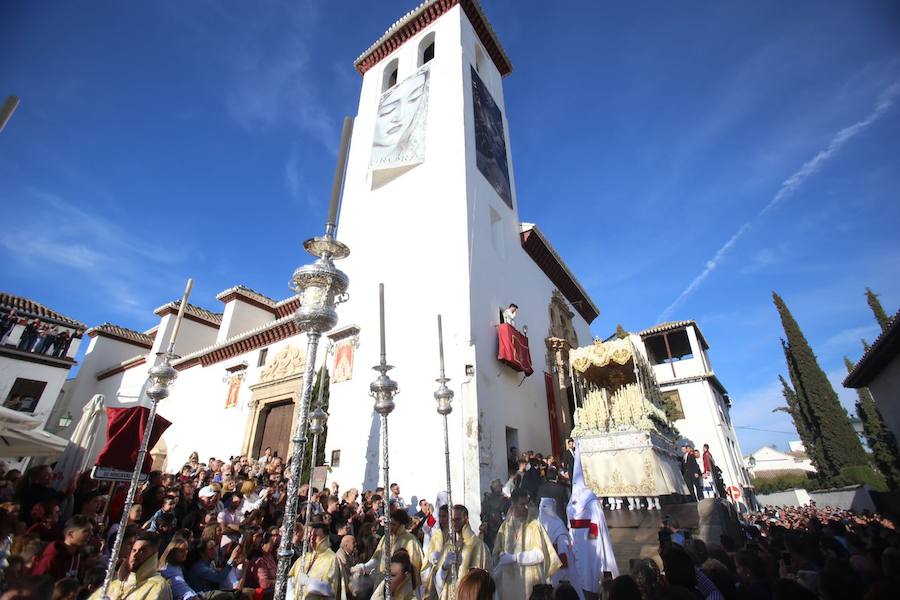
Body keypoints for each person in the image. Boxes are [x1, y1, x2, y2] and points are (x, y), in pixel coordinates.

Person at [566, 440, 618, 599]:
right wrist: (593, 540)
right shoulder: (590, 500)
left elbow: (573, 524)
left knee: (585, 574)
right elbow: (595, 523)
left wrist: (577, 540)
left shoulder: (575, 502)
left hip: (582, 543)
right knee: (591, 571)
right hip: (590, 542)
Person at [491, 488, 561, 599]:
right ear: (513, 504)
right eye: (522, 504)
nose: (526, 507)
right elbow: (496, 555)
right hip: (509, 587)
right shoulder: (504, 527)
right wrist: (500, 557)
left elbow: (540, 555)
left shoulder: (534, 525)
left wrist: (514, 558)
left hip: (530, 586)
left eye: (527, 504)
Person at [92, 530, 172, 600]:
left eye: (142, 551)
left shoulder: (158, 586)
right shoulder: (114, 585)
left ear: (153, 556)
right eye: (134, 550)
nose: (135, 555)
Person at [431, 505, 490, 599]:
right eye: (452, 520)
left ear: (466, 519)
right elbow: (437, 583)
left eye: (458, 519)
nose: (454, 524)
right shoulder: (448, 546)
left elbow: (484, 583)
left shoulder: (478, 546)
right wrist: (444, 567)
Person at [354, 509, 424, 579]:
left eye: (394, 524)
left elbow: (415, 566)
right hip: (382, 579)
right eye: (390, 524)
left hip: (402, 583)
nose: (390, 527)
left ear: (401, 525)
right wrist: (364, 567)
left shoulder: (410, 541)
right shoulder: (385, 538)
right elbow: (377, 558)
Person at [288, 521, 343, 599]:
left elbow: (332, 589)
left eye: (316, 536)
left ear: (325, 538)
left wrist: (308, 581)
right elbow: (291, 581)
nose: (312, 539)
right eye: (311, 535)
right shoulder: (303, 558)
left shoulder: (332, 559)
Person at [537, 498, 579, 595]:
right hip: (555, 563)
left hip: (548, 563)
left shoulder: (538, 523)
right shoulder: (558, 524)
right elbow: (563, 548)